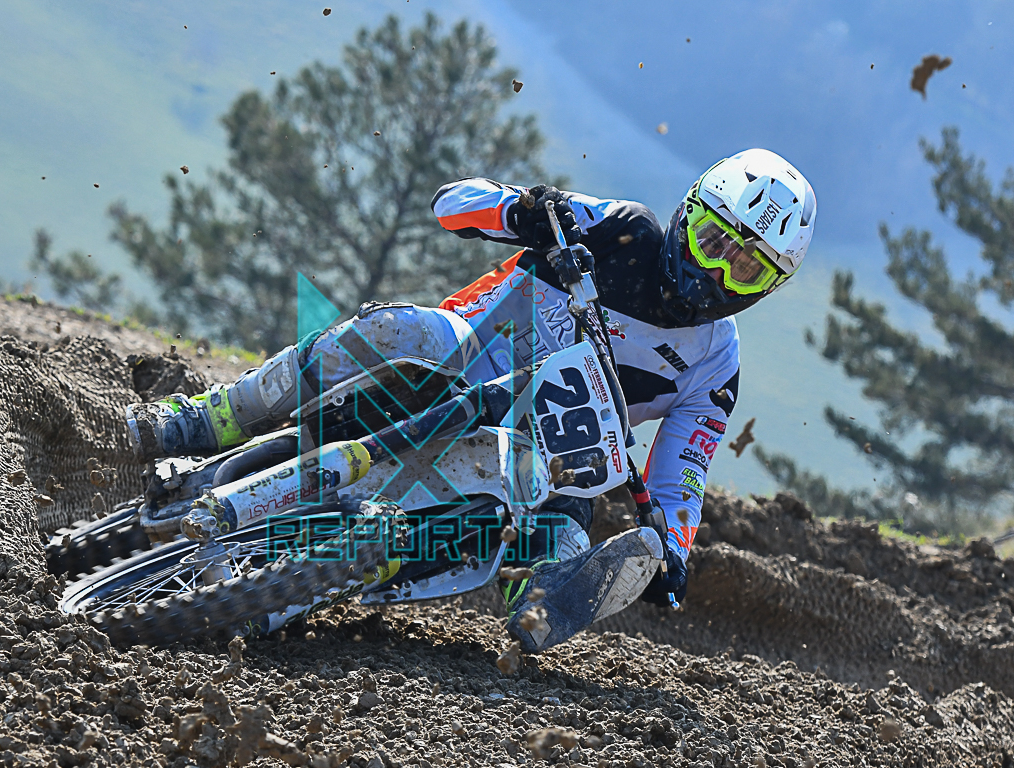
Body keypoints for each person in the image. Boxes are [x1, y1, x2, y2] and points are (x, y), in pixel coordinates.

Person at [125, 148, 817, 652]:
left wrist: (673, 551)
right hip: (461, 358)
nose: (717, 272)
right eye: (714, 242)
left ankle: (530, 598)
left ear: (768, 288)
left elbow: (682, 475)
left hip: (548, 450)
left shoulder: (715, 365)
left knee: (566, 531)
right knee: (392, 328)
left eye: (747, 268)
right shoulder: (618, 230)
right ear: (688, 213)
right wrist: (521, 210)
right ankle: (214, 416)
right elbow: (451, 203)